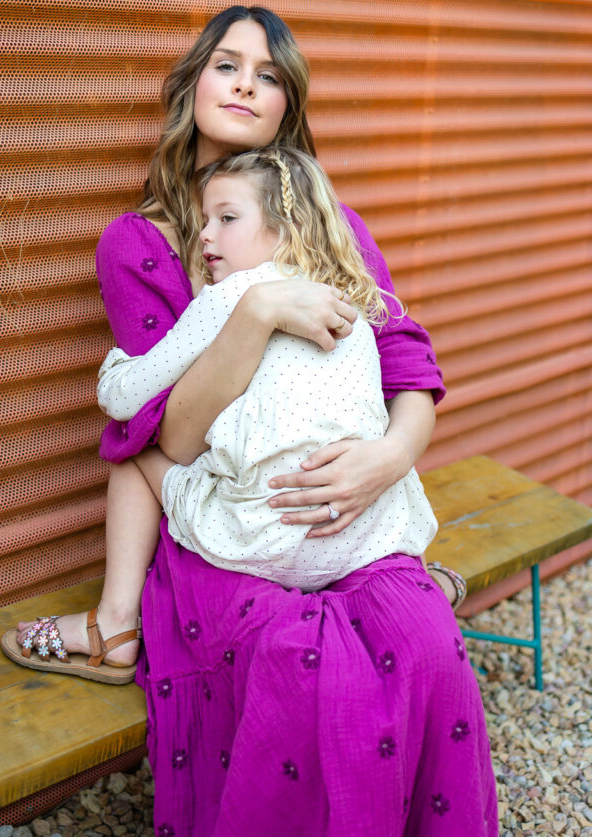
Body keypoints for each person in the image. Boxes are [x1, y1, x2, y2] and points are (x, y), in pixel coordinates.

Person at [3, 6, 497, 837]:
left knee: (429, 652)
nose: (243, 83)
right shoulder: (141, 246)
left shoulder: (328, 225)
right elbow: (169, 432)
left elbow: (406, 363)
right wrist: (259, 310)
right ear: (193, 83)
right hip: (225, 524)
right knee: (303, 669)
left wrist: (387, 461)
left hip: (354, 505)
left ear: (286, 110)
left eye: (267, 75)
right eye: (226, 64)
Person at [97, 146, 439, 592]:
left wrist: (115, 372)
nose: (204, 235)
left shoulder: (229, 293)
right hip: (365, 533)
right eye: (204, 220)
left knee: (132, 444)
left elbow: (124, 398)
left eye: (227, 219)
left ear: (285, 228)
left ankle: (114, 618)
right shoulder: (349, 296)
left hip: (258, 538)